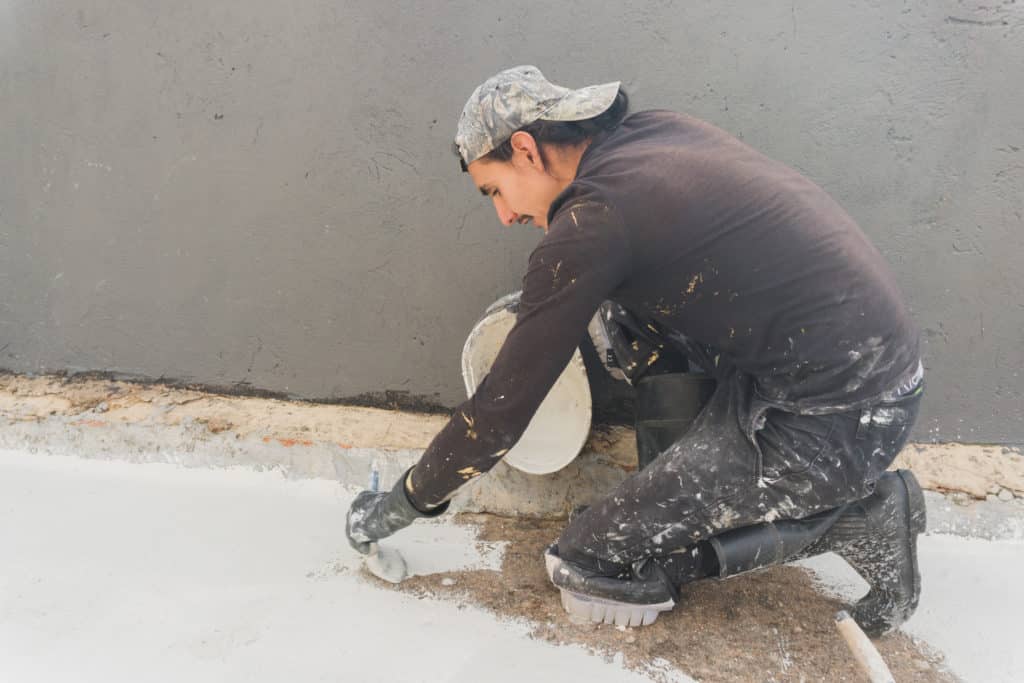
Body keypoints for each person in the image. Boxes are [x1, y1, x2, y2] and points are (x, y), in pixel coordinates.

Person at [346, 66, 926, 635]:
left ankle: (868, 518)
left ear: (525, 149)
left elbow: (497, 416)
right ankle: (677, 490)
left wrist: (400, 506)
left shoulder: (594, 223)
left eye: (494, 189)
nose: (504, 215)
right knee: (609, 309)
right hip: (831, 372)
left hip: (836, 421)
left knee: (588, 559)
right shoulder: (652, 135)